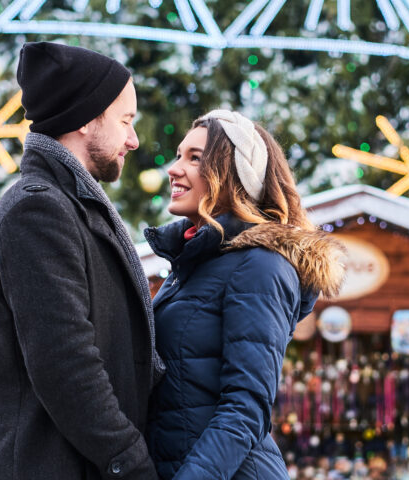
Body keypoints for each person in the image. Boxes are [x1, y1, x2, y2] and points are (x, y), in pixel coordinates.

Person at [0, 42, 162, 479]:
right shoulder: (37, 212)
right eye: (125, 121)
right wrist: (131, 462)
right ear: (85, 119)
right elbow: (66, 365)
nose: (133, 140)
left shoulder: (72, 206)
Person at [143, 110, 345, 479]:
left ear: (235, 175)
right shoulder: (192, 265)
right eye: (177, 155)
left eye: (194, 158)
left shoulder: (260, 265)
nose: (173, 169)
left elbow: (245, 408)